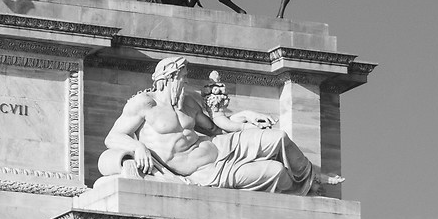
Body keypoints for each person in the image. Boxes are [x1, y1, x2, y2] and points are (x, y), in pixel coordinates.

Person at [102, 56, 337, 193]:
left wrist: (247, 116)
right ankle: (304, 185)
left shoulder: (188, 102)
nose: (183, 82)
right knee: (277, 174)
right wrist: (138, 148)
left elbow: (217, 128)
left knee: (279, 137)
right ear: (166, 79)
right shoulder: (144, 104)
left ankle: (313, 176)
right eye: (181, 77)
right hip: (206, 173)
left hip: (222, 146)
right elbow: (112, 137)